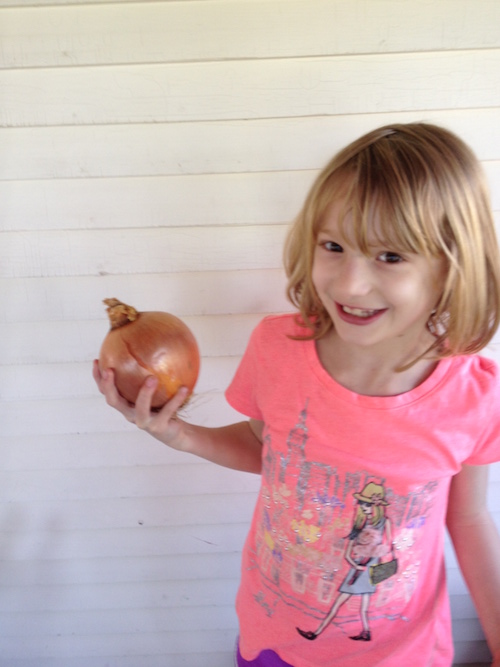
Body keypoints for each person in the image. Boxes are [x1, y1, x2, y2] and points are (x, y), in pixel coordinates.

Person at [93, 123, 500, 667]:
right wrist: (180, 434)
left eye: (390, 257)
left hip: (405, 655)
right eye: (333, 246)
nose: (350, 285)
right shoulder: (278, 349)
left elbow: (468, 518)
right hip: (275, 642)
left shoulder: (473, 396)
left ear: (452, 264)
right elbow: (272, 450)